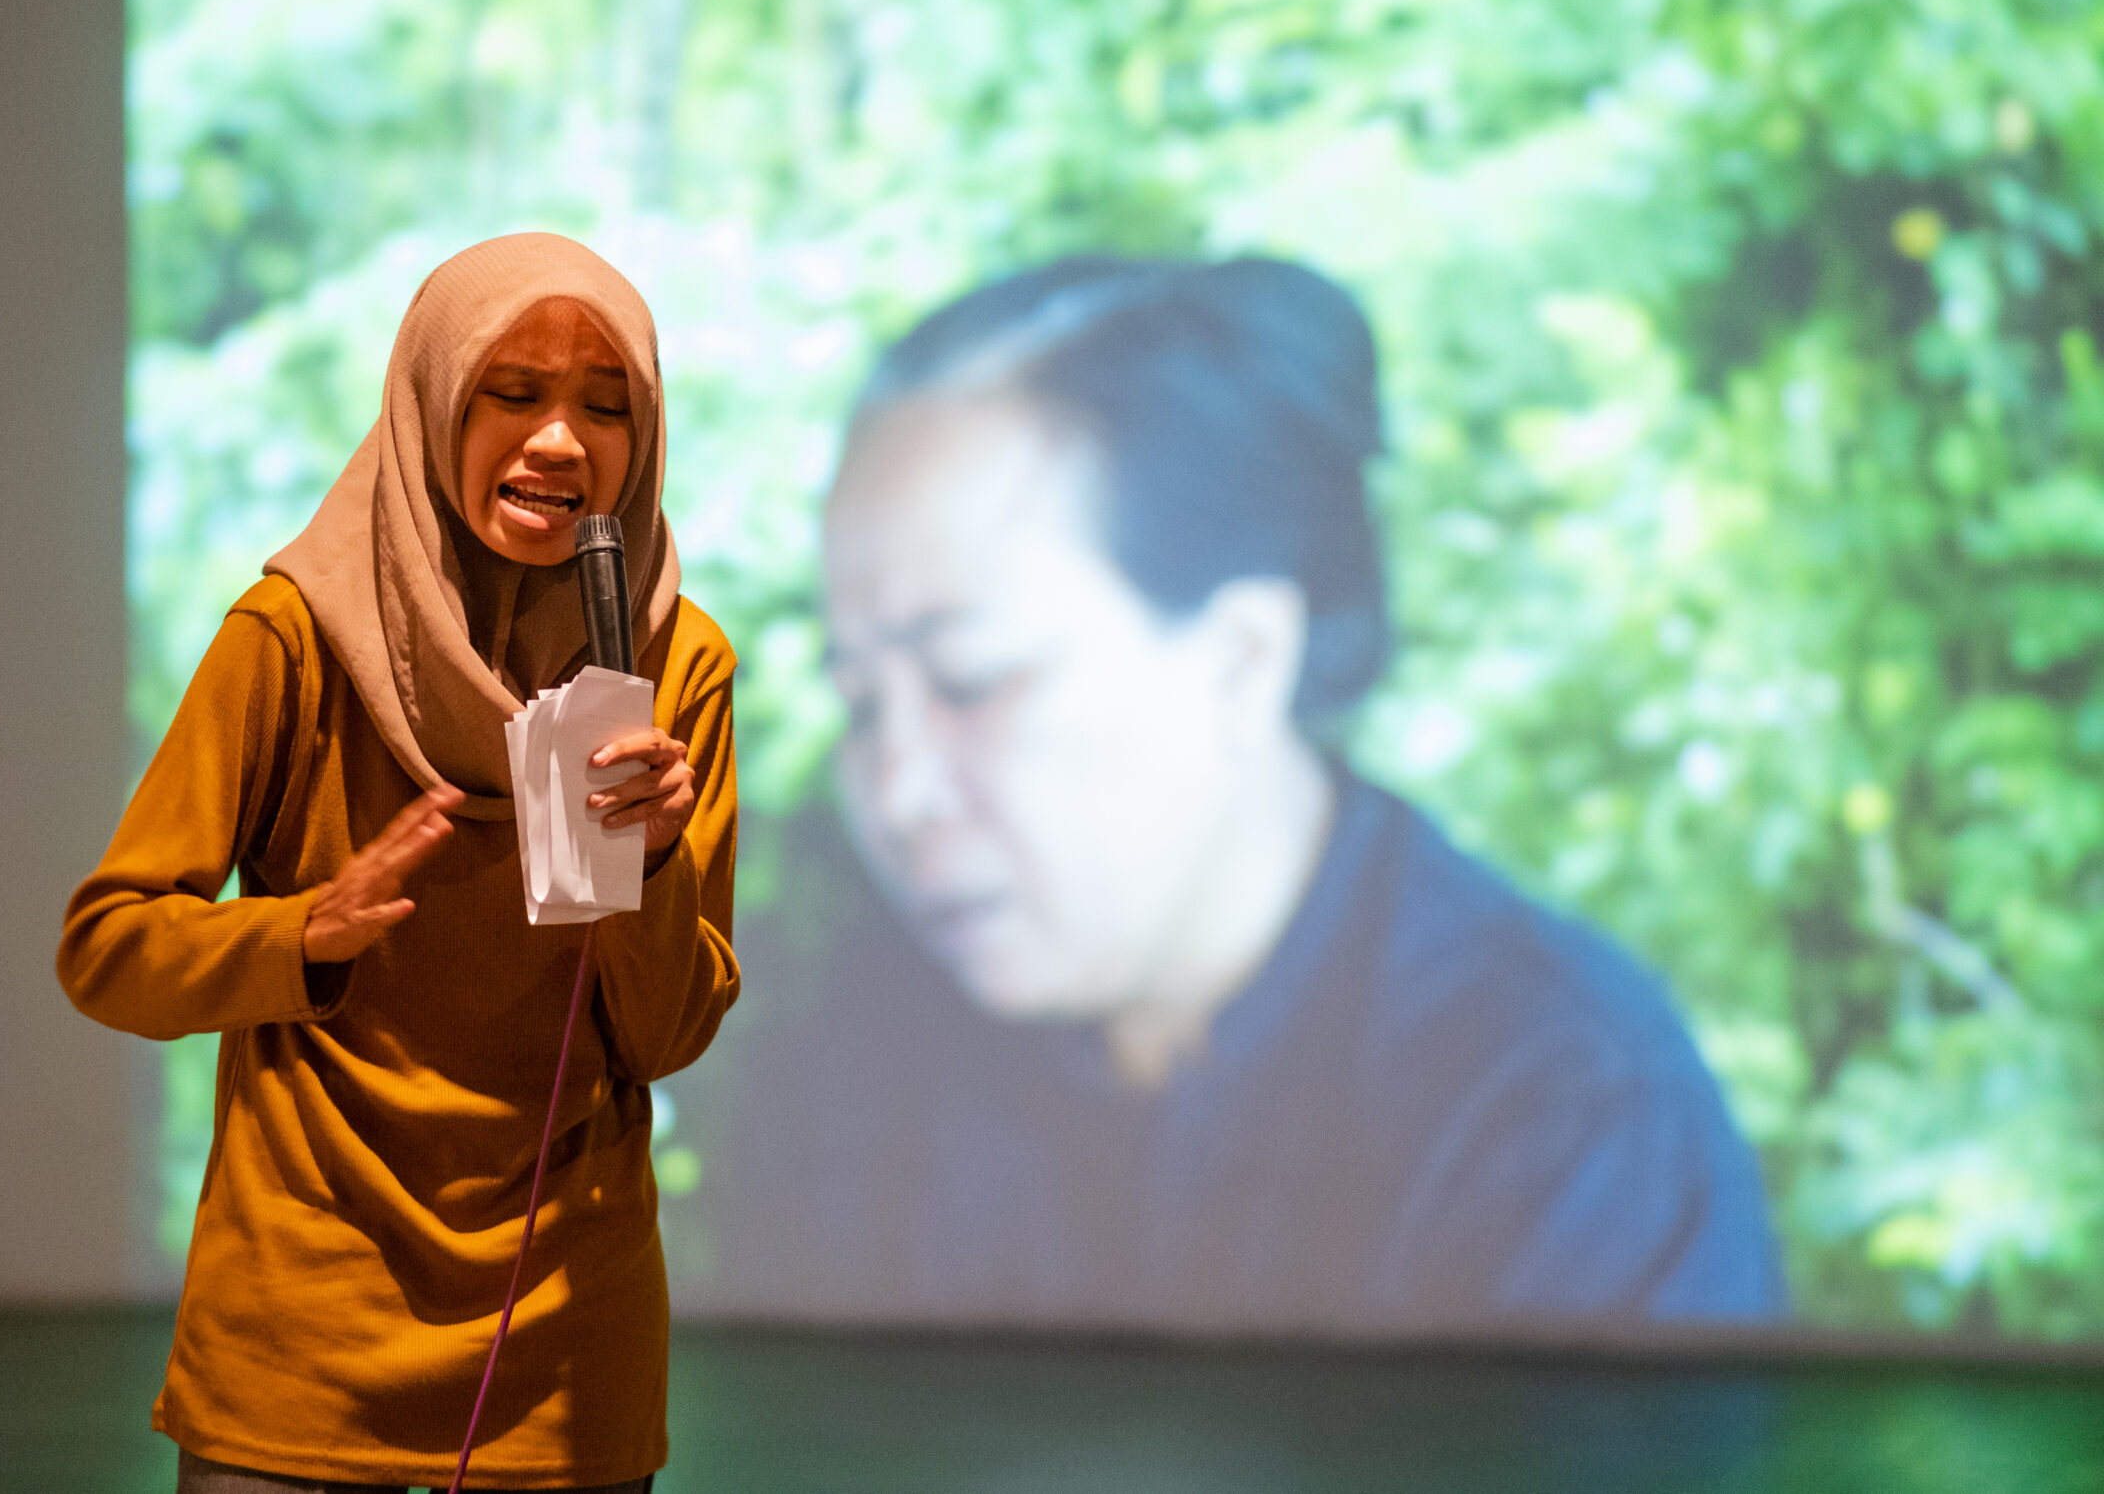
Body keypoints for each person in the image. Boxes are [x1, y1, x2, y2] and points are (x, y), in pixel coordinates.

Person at [681, 255, 1782, 1335]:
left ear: (1243, 662)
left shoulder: (1558, 1119)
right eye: (860, 701)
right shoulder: (856, 1064)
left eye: (972, 681)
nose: (899, 789)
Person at [61, 234, 740, 1491]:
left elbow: (665, 1034)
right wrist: (303, 933)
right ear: (434, 403)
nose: (561, 442)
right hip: (304, 1313)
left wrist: (652, 869)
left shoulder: (670, 664)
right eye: (513, 393)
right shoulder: (296, 634)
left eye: (606, 409)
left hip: (563, 1334)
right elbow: (108, 953)